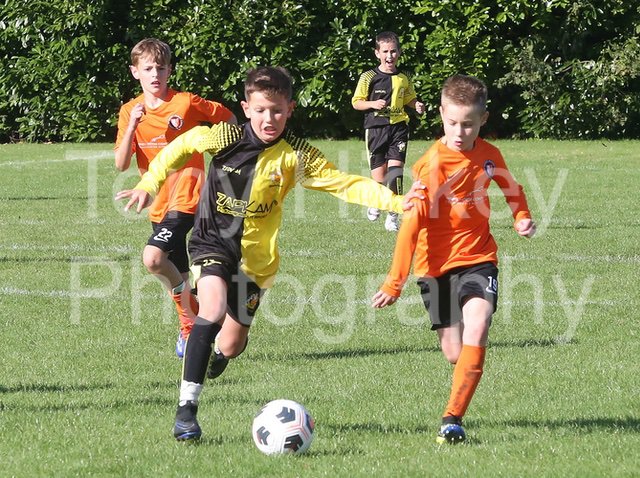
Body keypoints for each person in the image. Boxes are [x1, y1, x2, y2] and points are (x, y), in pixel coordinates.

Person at [115, 66, 425, 441]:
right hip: (213, 243)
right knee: (210, 309)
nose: (269, 119)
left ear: (289, 109)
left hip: (257, 263)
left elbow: (344, 184)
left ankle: (217, 355)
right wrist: (149, 183)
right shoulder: (226, 135)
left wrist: (397, 202)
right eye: (260, 110)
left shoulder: (296, 154)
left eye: (277, 111)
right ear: (246, 108)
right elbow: (180, 146)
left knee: (231, 344)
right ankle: (186, 412)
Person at [371, 74, 536, 444]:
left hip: (479, 257)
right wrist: (394, 283)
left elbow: (512, 188)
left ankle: (452, 419)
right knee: (454, 352)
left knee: (478, 325)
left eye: (468, 124)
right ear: (441, 115)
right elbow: (410, 227)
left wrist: (521, 217)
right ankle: (463, 381)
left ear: (483, 119)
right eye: (452, 123)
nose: (460, 132)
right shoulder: (430, 166)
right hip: (434, 268)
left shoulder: (490, 155)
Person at [114, 38, 236, 358]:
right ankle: (195, 322)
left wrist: (225, 153)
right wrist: (132, 126)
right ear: (135, 72)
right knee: (177, 276)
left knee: (153, 258)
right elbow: (121, 164)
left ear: (169, 71)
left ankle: (188, 322)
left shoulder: (185, 103)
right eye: (148, 69)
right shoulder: (129, 111)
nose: (155, 74)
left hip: (189, 197)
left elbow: (228, 118)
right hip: (158, 203)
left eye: (161, 68)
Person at [352, 31, 426, 232]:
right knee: (379, 176)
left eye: (393, 51)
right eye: (385, 51)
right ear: (377, 53)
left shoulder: (404, 77)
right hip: (376, 129)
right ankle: (376, 201)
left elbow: (409, 97)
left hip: (399, 128)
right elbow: (356, 103)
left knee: (395, 173)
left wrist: (416, 105)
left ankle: (393, 215)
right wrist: (372, 104)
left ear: (399, 52)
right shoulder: (368, 77)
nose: (390, 55)